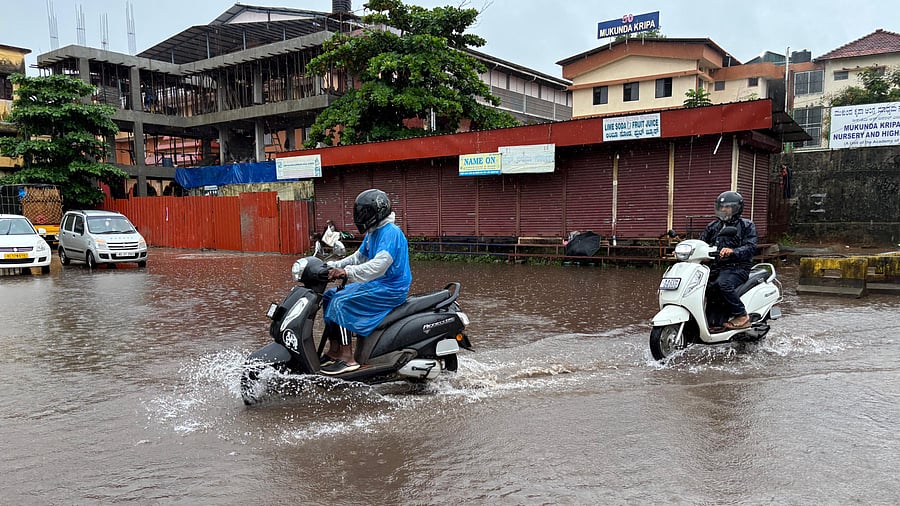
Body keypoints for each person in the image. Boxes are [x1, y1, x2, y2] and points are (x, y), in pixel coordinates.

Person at [319, 189, 412, 375]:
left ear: (377, 211)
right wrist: (330, 266)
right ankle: (335, 350)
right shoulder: (373, 232)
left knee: (340, 303)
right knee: (330, 295)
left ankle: (347, 358)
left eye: (364, 213)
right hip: (379, 284)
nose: (360, 217)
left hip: (392, 288)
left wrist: (346, 273)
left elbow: (379, 266)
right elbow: (358, 257)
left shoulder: (391, 232)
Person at [700, 191, 758, 330]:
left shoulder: (746, 225)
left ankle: (742, 315)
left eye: (727, 207)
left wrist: (733, 251)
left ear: (736, 208)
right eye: (721, 207)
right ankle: (710, 321)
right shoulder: (713, 226)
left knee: (723, 284)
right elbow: (701, 242)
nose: (723, 210)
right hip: (716, 266)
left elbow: (750, 247)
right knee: (701, 286)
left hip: (737, 267)